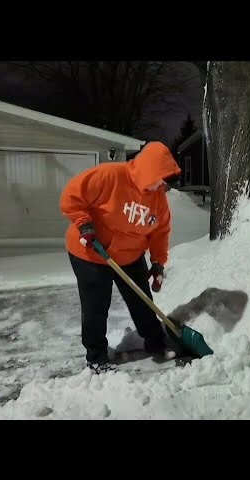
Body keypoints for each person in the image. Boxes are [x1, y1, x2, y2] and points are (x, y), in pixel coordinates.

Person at [60, 141, 182, 374]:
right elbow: (72, 196)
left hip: (130, 254)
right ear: (149, 170)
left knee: (142, 300)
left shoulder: (158, 200)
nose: (162, 187)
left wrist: (158, 263)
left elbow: (160, 232)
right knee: (97, 305)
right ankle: (96, 357)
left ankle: (155, 341)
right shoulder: (111, 175)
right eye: (161, 180)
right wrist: (84, 225)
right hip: (91, 251)